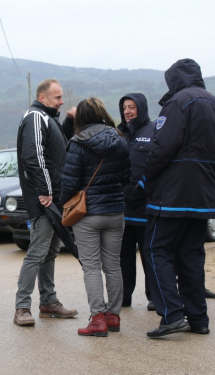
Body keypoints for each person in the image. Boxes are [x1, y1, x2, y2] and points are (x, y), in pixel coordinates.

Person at [136, 59, 215, 338]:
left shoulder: (178, 101)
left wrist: (148, 180)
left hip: (171, 193)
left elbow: (162, 148)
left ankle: (172, 314)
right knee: (191, 255)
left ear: (174, 79)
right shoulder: (212, 101)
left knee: (156, 251)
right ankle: (199, 319)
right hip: (203, 195)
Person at [60, 97, 130, 337]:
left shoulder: (77, 142)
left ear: (80, 118)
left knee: (91, 267)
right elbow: (126, 177)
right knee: (113, 265)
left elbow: (69, 183)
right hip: (115, 212)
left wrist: (63, 203)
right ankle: (113, 316)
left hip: (87, 214)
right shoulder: (120, 140)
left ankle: (97, 320)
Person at [13, 79, 78, 327]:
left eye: (62, 97)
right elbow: (34, 155)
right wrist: (45, 190)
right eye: (57, 97)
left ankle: (49, 301)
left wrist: (69, 123)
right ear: (43, 97)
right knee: (38, 251)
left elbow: (57, 148)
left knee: (50, 251)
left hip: (54, 197)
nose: (62, 101)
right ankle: (22, 307)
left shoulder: (46, 118)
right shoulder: (35, 117)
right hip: (44, 199)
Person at [116, 93, 155, 311]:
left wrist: (140, 187)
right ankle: (124, 296)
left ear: (141, 108)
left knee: (150, 255)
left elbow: (158, 165)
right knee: (123, 257)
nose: (128, 111)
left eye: (132, 107)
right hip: (122, 208)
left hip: (145, 206)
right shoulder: (119, 133)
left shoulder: (154, 131)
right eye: (124, 107)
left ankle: (154, 296)